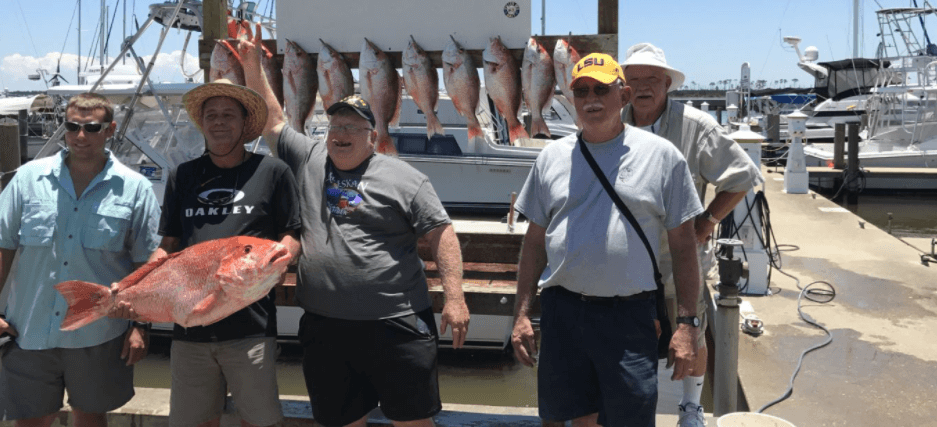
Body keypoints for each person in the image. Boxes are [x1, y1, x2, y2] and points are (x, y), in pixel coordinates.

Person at [238, 26, 470, 427]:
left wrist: (455, 296)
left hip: (396, 322)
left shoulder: (405, 176)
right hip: (326, 327)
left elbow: (441, 233)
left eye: (352, 127)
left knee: (413, 421)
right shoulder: (308, 156)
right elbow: (273, 119)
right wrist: (252, 65)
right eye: (335, 127)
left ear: (373, 134)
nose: (341, 135)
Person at [511, 53, 704, 427]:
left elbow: (683, 246)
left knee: (630, 418)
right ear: (571, 101)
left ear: (625, 95)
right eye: (581, 91)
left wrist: (687, 324)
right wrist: (520, 314)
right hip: (563, 312)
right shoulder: (551, 157)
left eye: (602, 88)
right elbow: (534, 244)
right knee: (566, 417)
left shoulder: (664, 157)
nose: (591, 98)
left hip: (630, 317)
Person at [0, 92, 161, 427]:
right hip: (28, 330)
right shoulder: (29, 178)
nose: (80, 136)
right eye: (72, 126)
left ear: (110, 130)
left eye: (92, 128)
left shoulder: (136, 189)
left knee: (90, 419)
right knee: (29, 421)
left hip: (98, 334)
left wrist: (141, 326)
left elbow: (146, 265)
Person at [620, 42, 763, 427]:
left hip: (678, 258)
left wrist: (708, 221)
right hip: (625, 260)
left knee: (692, 330)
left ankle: (691, 405)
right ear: (623, 86)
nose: (643, 87)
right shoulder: (612, 121)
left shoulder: (696, 125)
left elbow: (744, 175)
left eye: (652, 79)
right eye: (634, 79)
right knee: (629, 339)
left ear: (668, 84)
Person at [146, 79, 301, 427]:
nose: (219, 122)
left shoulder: (273, 172)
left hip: (251, 327)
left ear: (245, 123)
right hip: (189, 327)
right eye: (211, 115)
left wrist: (281, 258)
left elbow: (292, 234)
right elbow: (168, 243)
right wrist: (144, 279)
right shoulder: (182, 175)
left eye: (228, 115)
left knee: (260, 422)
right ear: (202, 123)